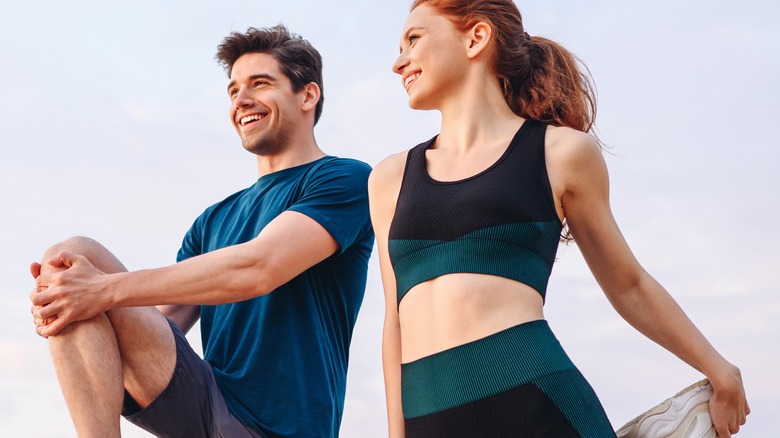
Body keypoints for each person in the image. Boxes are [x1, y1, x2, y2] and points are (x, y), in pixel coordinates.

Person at [368, 1, 749, 437]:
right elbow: (394, 319)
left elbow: (628, 284)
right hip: (430, 419)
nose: (398, 62)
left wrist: (718, 368)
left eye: (413, 39)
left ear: (476, 37)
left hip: (536, 407)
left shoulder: (560, 153)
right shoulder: (389, 178)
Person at [29, 25, 374, 438]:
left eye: (260, 84)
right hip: (207, 404)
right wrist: (65, 306)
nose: (241, 100)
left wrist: (101, 291)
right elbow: (156, 326)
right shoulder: (212, 220)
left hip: (283, 427)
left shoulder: (344, 179)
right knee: (67, 261)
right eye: (233, 91)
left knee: (87, 281)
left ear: (308, 95)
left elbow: (260, 267)